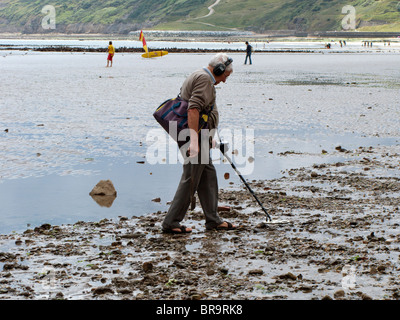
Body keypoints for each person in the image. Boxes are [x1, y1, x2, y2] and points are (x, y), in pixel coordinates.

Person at [162, 53, 236, 234]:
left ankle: (213, 220)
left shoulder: (200, 75)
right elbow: (193, 109)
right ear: (218, 69)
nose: (225, 81)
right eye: (225, 76)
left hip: (199, 136)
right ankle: (171, 222)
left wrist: (209, 136)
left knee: (207, 175)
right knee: (191, 179)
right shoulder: (204, 79)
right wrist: (194, 141)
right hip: (193, 137)